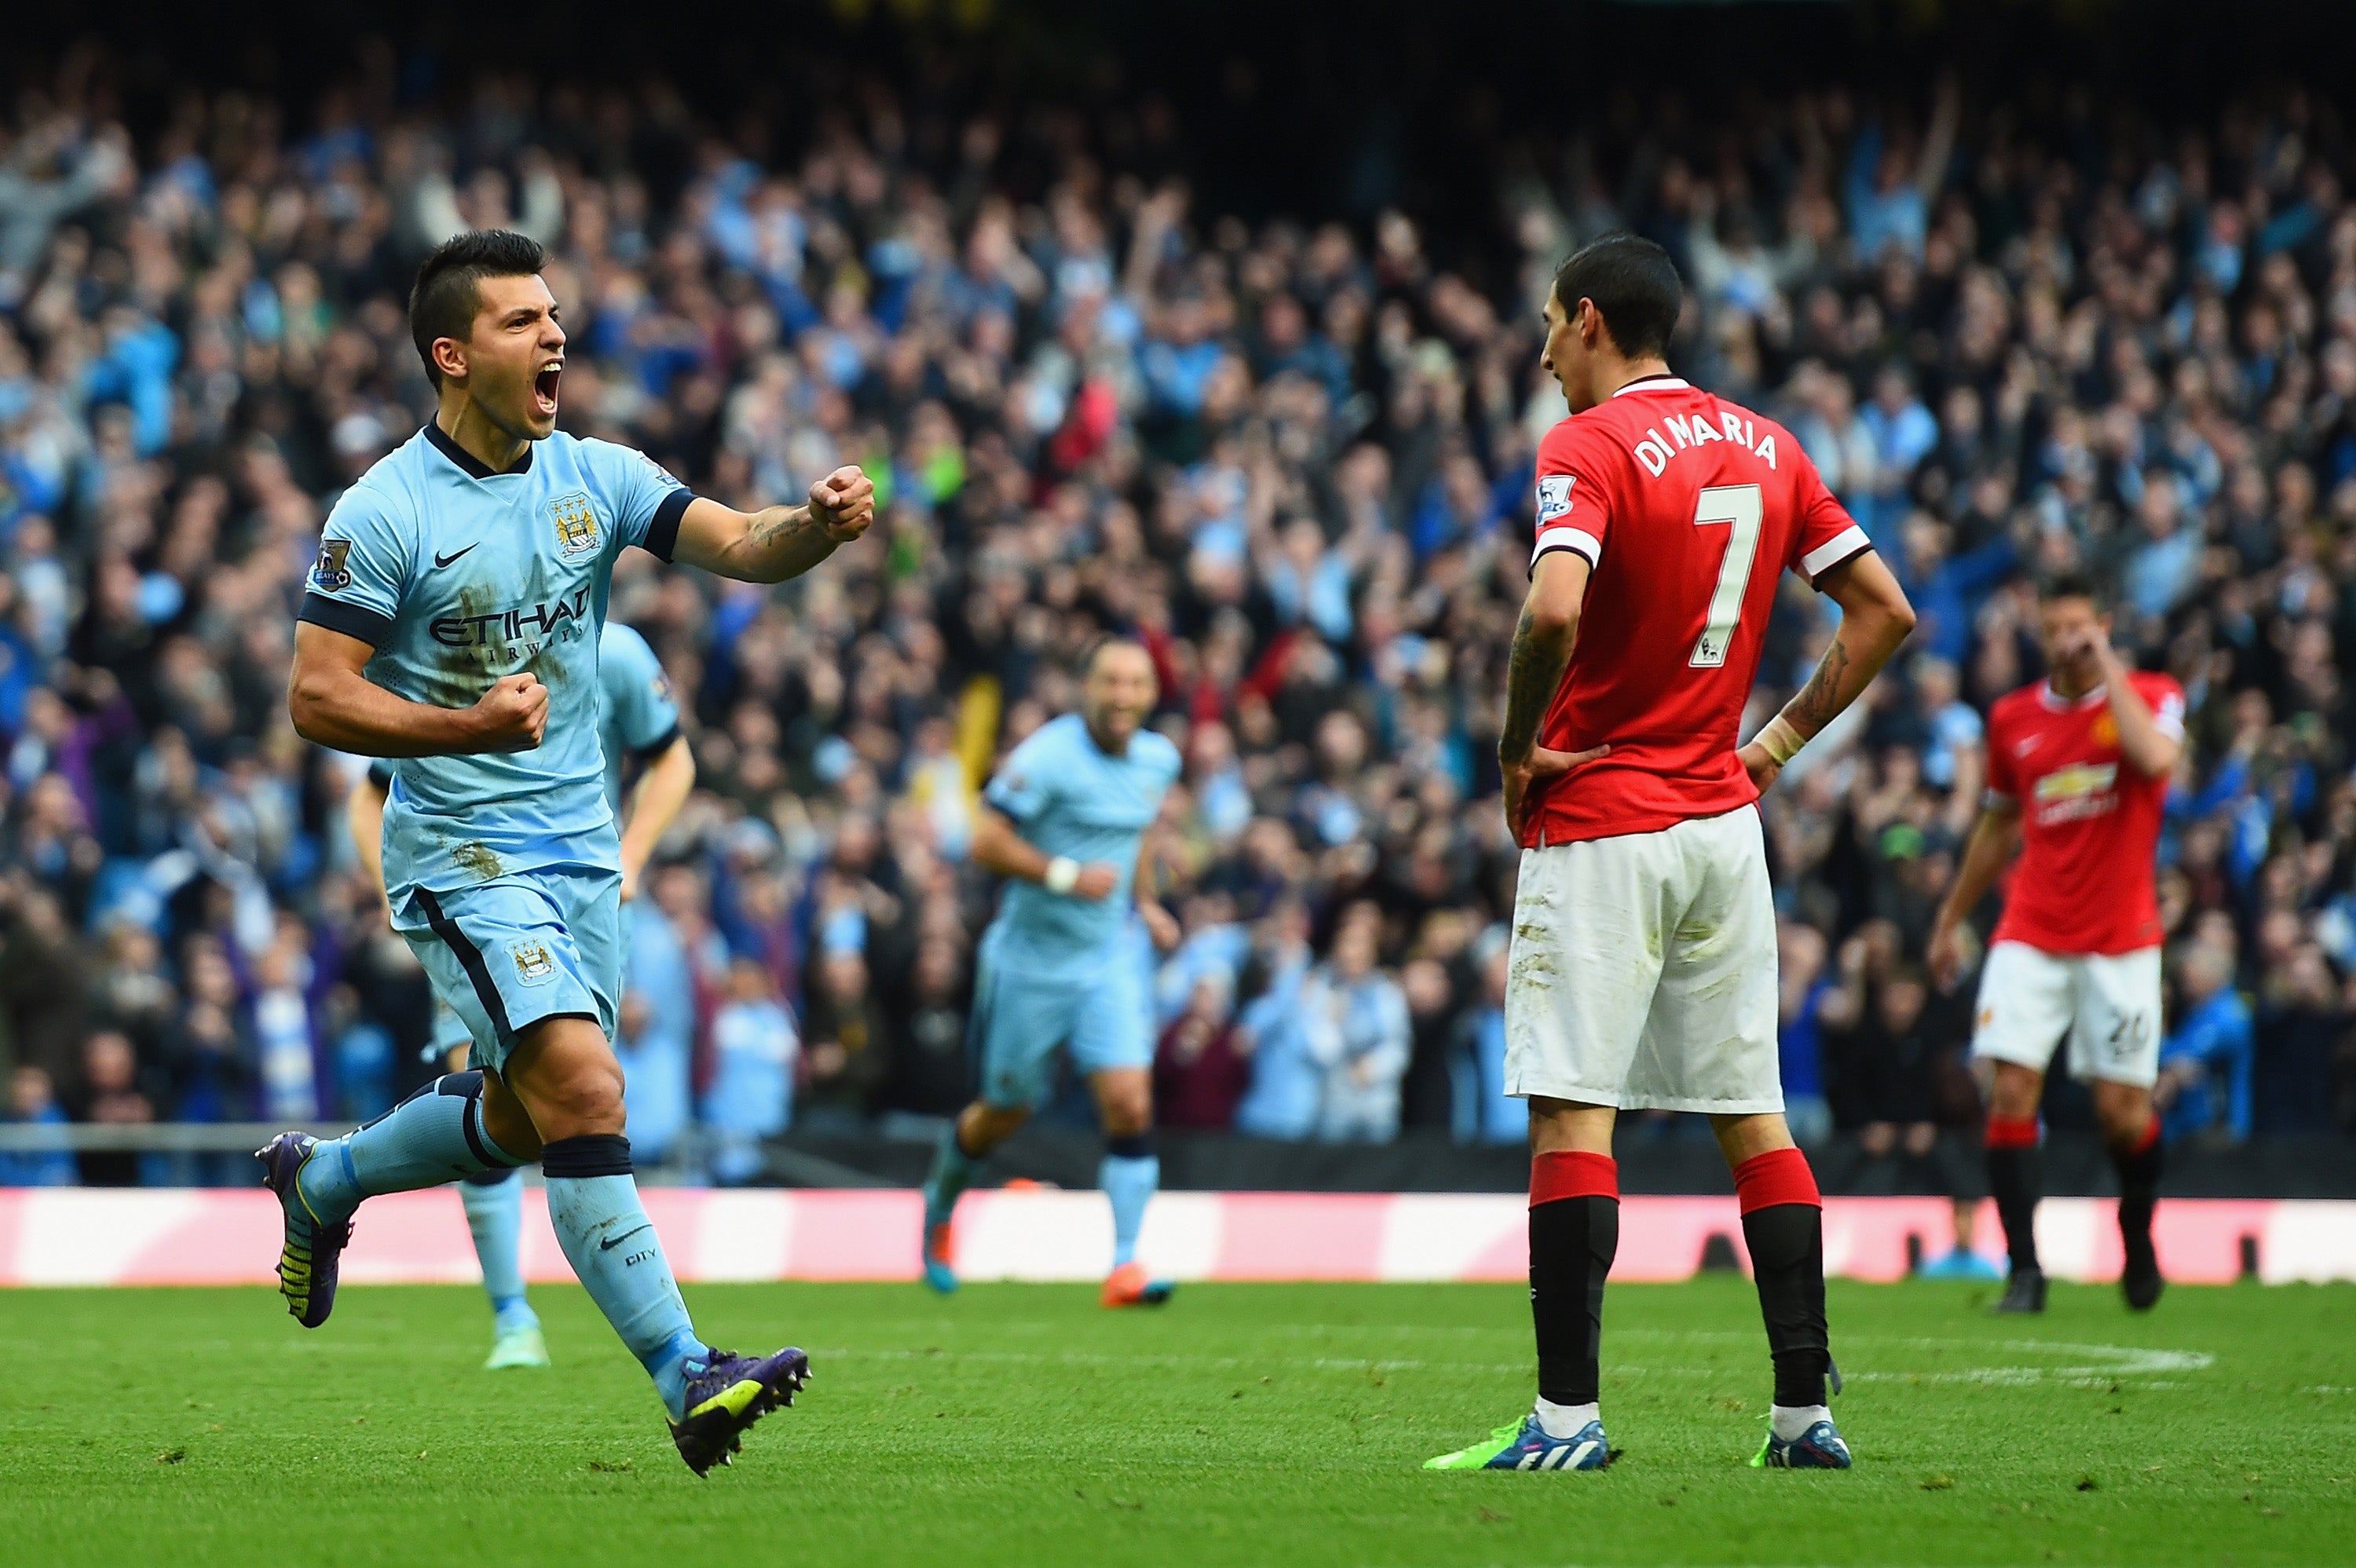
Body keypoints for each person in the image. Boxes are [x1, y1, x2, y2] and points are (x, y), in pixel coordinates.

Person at [263, 229, 872, 1475]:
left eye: (554, 315)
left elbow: (743, 543)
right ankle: (689, 1373)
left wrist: (814, 525)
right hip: (463, 854)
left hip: (581, 858)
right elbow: (318, 699)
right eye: (520, 321)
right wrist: (462, 724)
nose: (554, 336)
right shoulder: (384, 511)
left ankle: (326, 1183)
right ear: (451, 355)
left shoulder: (593, 471)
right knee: (589, 1092)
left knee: (530, 1119)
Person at [1426, 234, 1915, 1475]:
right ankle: (1804, 1417)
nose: (1540, 352)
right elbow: (1886, 611)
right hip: (1720, 825)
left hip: (1603, 822)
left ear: (1591, 320)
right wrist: (1777, 746)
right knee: (1755, 1120)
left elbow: (1551, 606)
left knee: (1572, 1119)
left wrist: (1513, 750)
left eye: (1547, 324)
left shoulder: (1582, 447)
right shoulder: (1771, 443)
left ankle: (1567, 1423)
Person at [343, 616, 697, 1371]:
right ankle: (517, 1316)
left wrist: (632, 853)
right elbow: (369, 793)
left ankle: (328, 1176)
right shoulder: (456, 652)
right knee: (490, 1067)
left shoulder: (620, 653)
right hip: (472, 882)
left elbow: (673, 761)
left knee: (545, 1106)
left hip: (582, 892)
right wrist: (392, 892)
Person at [1927, 574, 2186, 1316]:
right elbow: (1998, 826)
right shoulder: (2012, 718)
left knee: (2122, 1113)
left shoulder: (2153, 694)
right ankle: (2024, 1270)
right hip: (2031, 929)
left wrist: (2105, 667)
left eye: (2079, 625)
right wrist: (1951, 919)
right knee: (2009, 1089)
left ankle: (2137, 1239)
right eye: (2054, 629)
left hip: (2121, 938)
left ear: (2103, 624)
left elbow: (2155, 762)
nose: (2065, 640)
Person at [918, 638, 1184, 1306]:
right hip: (1031, 961)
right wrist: (1064, 874)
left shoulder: (1159, 758)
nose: (1123, 695)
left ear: (1151, 693)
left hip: (1108, 958)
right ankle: (940, 1205)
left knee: (1129, 1101)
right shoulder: (1048, 756)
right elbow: (985, 839)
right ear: (1085, 687)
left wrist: (1146, 901)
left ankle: (1126, 1262)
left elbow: (1141, 831)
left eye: (1135, 683)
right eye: (1110, 682)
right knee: (1006, 1108)